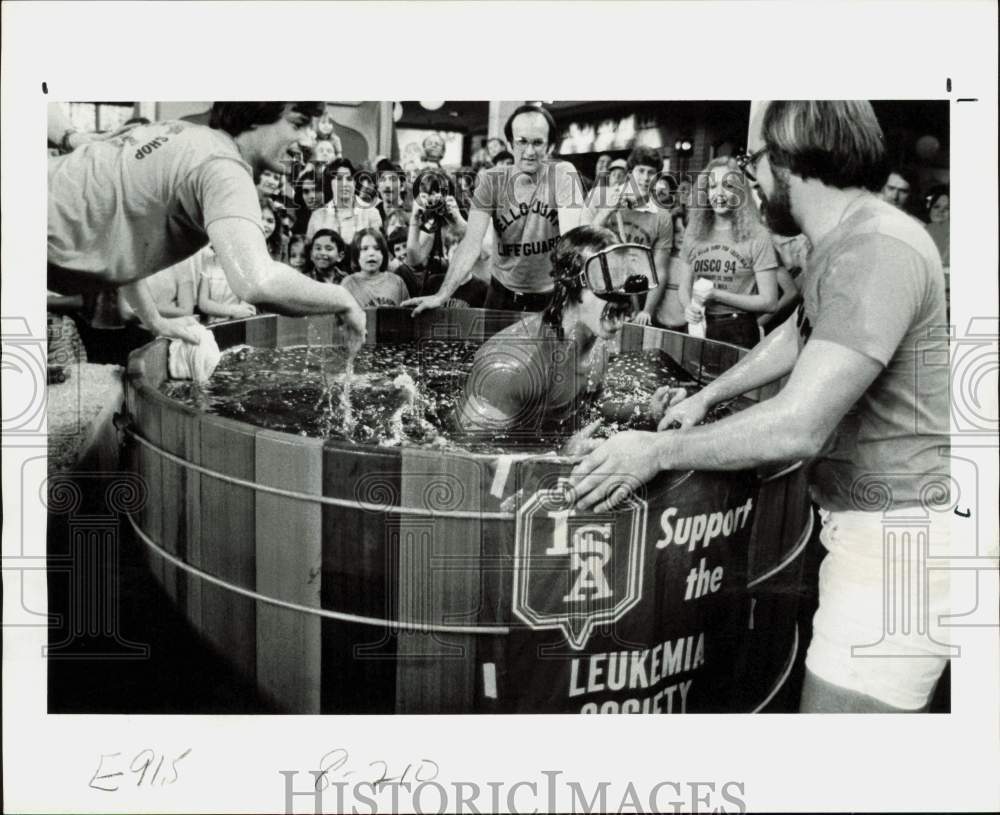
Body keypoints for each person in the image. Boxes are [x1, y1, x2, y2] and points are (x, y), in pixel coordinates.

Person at [569, 100, 950, 714]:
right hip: (876, 520)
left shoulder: (875, 249)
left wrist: (655, 449)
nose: (750, 180)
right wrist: (706, 396)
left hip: (899, 538)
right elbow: (797, 335)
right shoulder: (852, 234)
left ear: (788, 162)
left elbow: (799, 425)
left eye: (754, 161)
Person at [47, 102, 365, 346]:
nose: (310, 141)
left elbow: (122, 238)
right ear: (256, 111)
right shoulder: (224, 168)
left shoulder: (180, 132)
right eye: (298, 123)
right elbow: (258, 282)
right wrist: (343, 299)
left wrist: (155, 320)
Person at [455, 225, 655, 449]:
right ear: (570, 286)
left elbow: (590, 408)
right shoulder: (508, 368)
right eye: (606, 281)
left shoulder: (597, 345)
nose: (624, 301)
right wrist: (560, 457)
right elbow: (469, 456)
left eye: (623, 282)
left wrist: (648, 411)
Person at [403, 104, 584, 314]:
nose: (529, 152)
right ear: (510, 143)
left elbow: (572, 238)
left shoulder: (563, 174)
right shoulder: (490, 180)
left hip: (548, 295)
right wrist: (442, 295)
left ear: (550, 146)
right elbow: (471, 242)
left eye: (537, 143)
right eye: (522, 142)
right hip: (501, 294)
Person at [674, 156, 779, 347]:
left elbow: (770, 302)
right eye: (712, 186)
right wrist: (687, 306)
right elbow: (684, 287)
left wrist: (718, 295)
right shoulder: (693, 232)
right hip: (700, 325)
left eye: (728, 186)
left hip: (739, 329)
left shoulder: (758, 235)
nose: (719, 193)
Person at [581, 146, 673, 327]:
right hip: (595, 288)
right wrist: (607, 210)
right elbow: (582, 243)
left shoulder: (662, 217)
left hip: (632, 298)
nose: (646, 178)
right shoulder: (600, 196)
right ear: (630, 174)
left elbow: (660, 269)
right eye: (641, 171)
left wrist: (647, 310)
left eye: (651, 172)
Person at [306, 157, 383, 242]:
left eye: (349, 179)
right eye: (339, 179)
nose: (345, 184)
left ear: (354, 183)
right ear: (330, 183)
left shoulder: (371, 213)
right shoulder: (317, 217)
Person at [341, 228, 409, 307]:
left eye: (377, 249)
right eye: (365, 249)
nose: (371, 253)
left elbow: (406, 314)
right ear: (356, 254)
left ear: (383, 254)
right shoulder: (348, 284)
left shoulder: (397, 281)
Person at [197, 246, 257, 322]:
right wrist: (232, 310)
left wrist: (242, 309)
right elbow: (203, 303)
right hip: (214, 324)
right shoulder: (208, 264)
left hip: (237, 323)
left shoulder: (243, 264)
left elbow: (246, 305)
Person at [923, 184, 950, 267]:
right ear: (929, 207)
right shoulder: (923, 230)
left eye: (947, 208)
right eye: (936, 207)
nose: (941, 211)